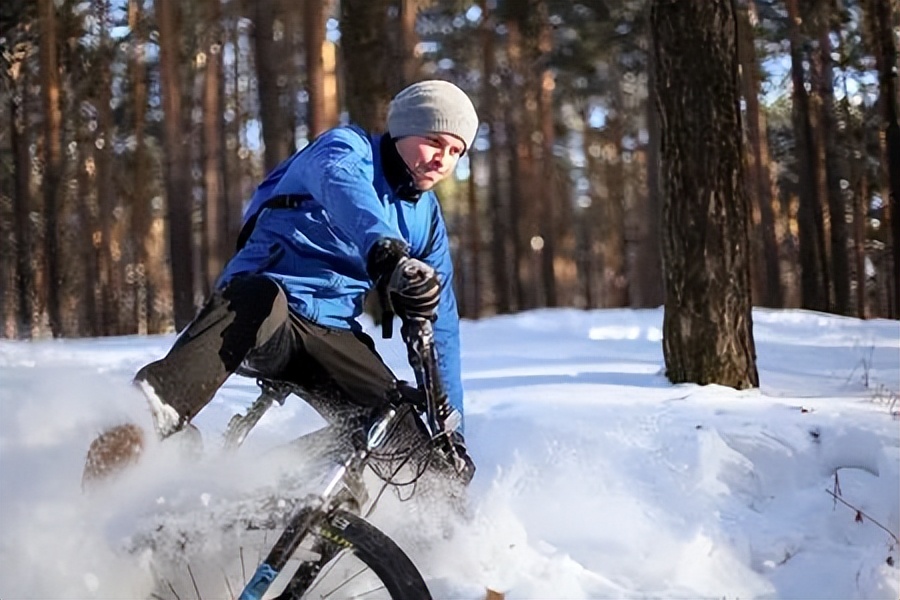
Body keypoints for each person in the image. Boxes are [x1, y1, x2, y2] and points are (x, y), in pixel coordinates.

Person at [83, 79, 477, 486]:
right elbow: (342, 187)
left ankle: (267, 481)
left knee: (402, 431)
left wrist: (451, 433)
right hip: (267, 313)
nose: (442, 161)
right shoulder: (346, 148)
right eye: (434, 141)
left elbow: (441, 324)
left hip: (332, 333)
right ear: (403, 128)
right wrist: (386, 251)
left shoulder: (426, 217)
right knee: (258, 296)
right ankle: (143, 421)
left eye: (455, 152)